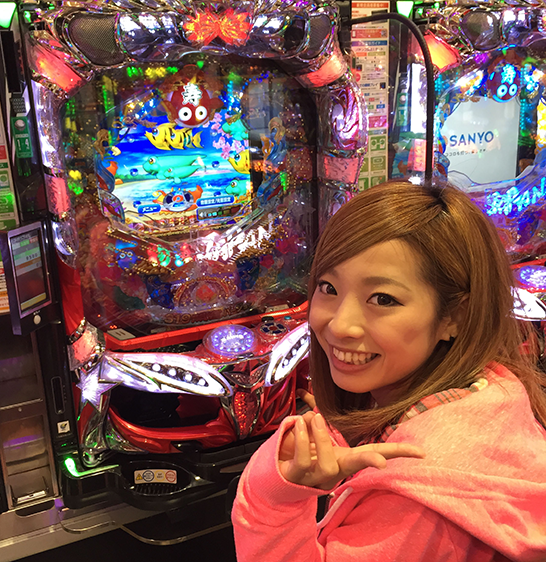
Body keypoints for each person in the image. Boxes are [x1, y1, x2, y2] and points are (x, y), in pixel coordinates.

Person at [232, 181, 546, 561]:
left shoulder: (417, 496)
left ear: (454, 317)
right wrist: (343, 433)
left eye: (382, 299)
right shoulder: (491, 389)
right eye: (328, 287)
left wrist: (272, 499)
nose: (340, 325)